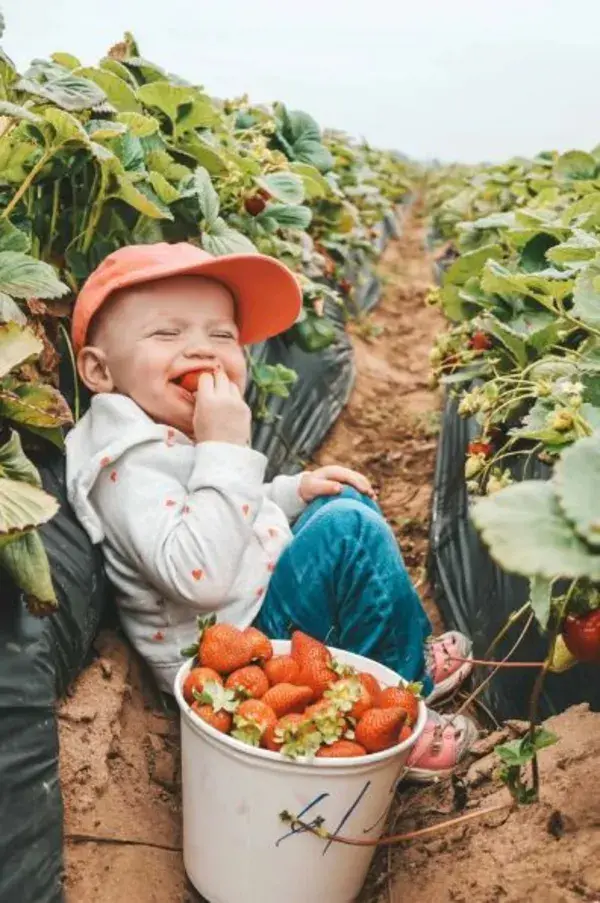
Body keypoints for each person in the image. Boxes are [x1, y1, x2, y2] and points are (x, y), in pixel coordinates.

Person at [65, 242, 477, 782]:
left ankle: (401, 661)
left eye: (221, 335)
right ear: (98, 370)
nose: (203, 350)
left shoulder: (158, 429)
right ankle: (395, 723)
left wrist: (289, 491)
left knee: (339, 503)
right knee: (347, 532)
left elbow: (219, 506)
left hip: (250, 604)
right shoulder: (124, 468)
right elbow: (201, 577)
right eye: (167, 333)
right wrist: (226, 447)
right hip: (234, 655)